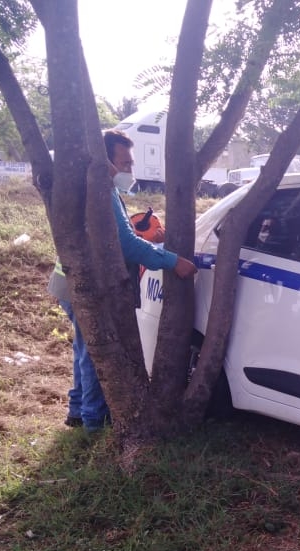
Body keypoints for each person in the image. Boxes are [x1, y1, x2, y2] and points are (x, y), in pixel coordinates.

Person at [47, 130, 196, 431]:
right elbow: (125, 244)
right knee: (94, 352)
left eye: (130, 163)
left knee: (83, 348)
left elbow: (114, 239)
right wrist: (171, 260)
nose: (129, 170)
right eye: (124, 163)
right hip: (84, 285)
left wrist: (150, 243)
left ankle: (78, 410)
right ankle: (93, 423)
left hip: (68, 282)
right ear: (105, 161)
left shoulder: (93, 186)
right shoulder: (100, 188)